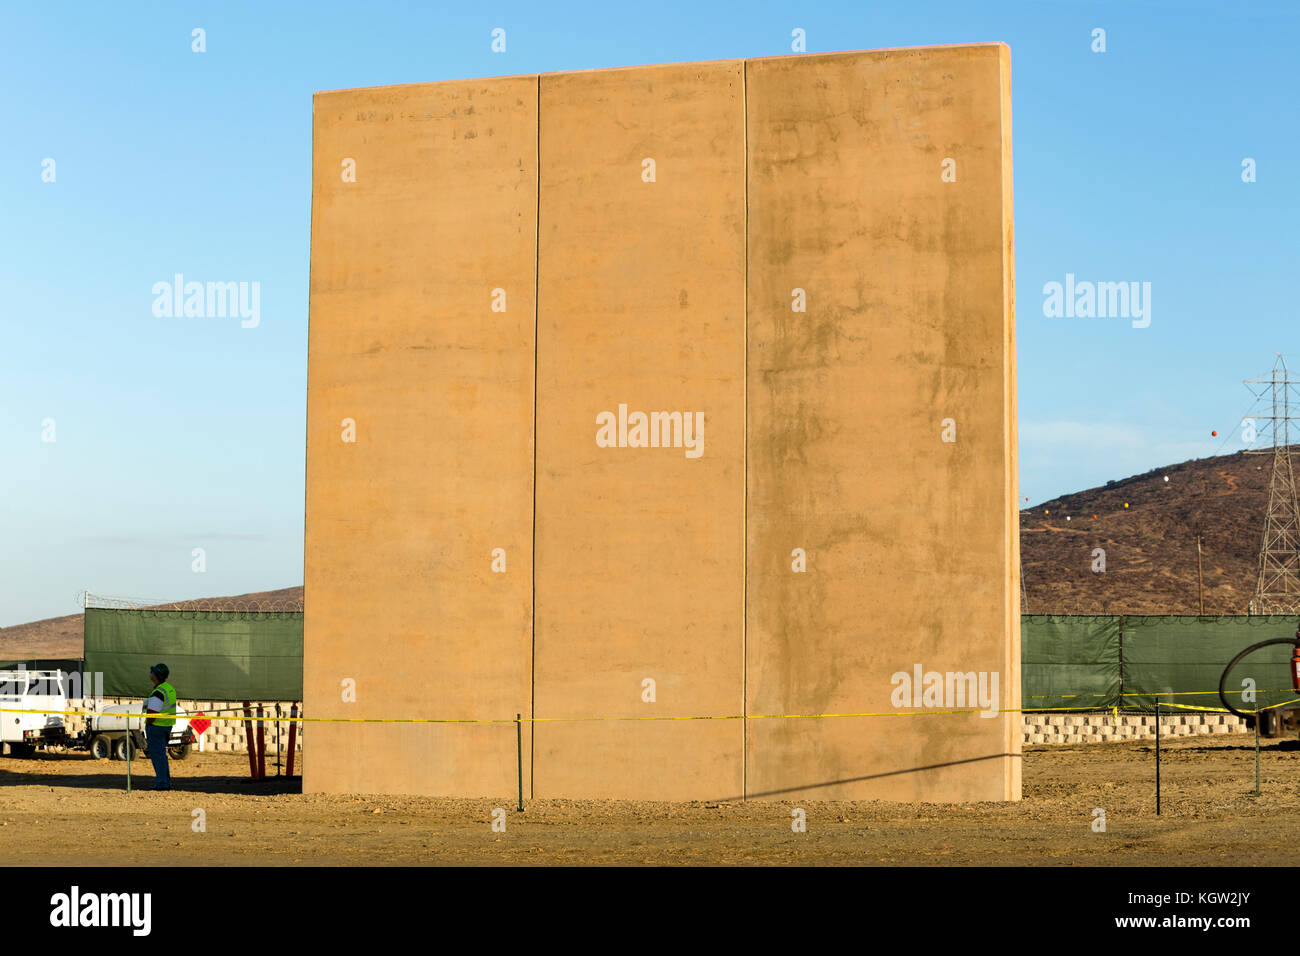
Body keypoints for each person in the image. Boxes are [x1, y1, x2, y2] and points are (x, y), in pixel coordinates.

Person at [144, 663, 177, 791]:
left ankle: (162, 783)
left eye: (152, 672)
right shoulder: (169, 688)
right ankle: (165, 781)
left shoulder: (158, 692)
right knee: (161, 755)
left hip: (156, 727)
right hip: (166, 726)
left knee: (158, 756)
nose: (150, 673)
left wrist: (148, 724)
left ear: (156, 675)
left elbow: (152, 714)